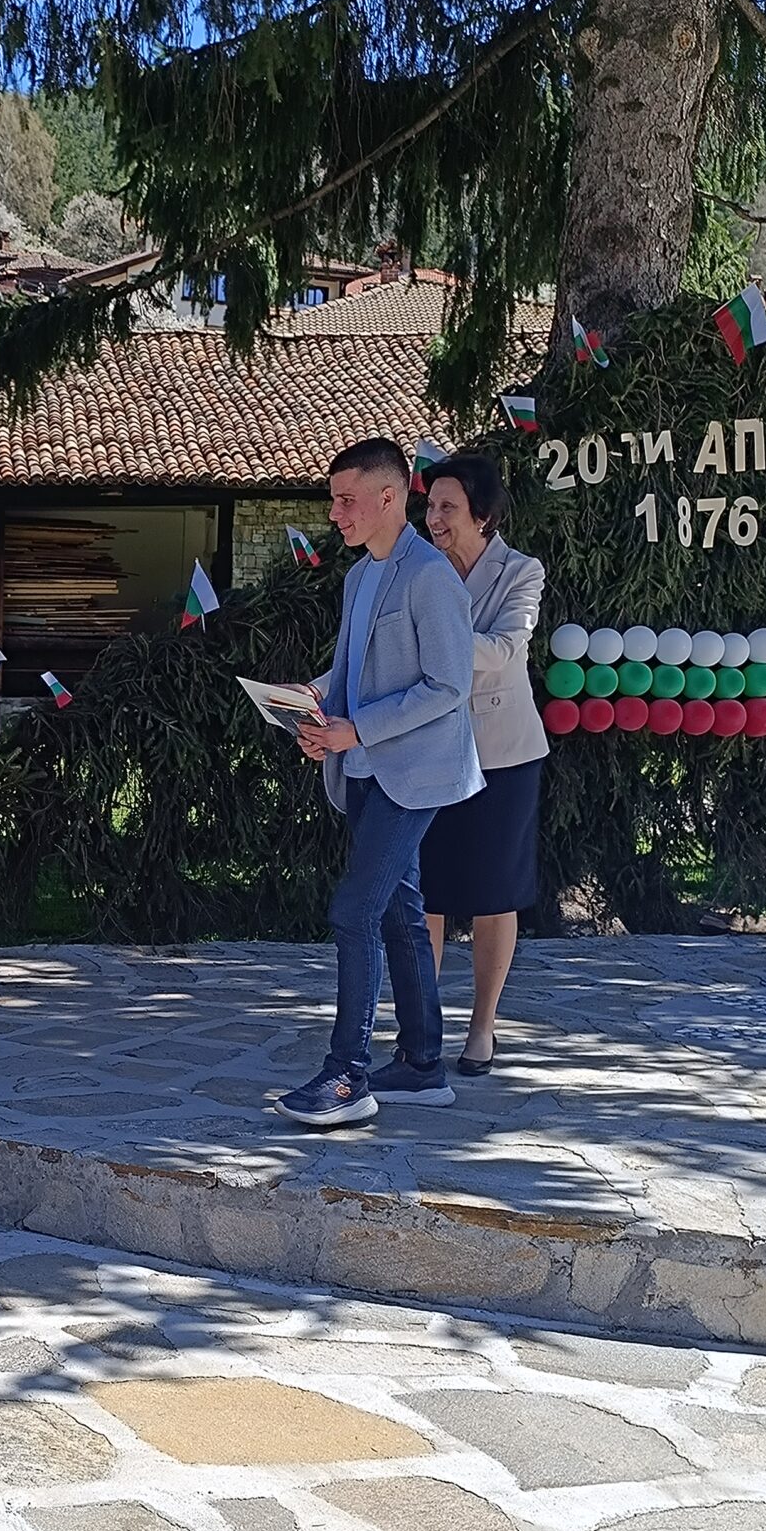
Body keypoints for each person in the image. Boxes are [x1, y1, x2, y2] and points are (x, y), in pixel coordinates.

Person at [281, 435, 482, 1127]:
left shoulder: (431, 576)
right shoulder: (359, 577)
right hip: (367, 770)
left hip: (415, 773)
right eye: (333, 500)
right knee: (399, 912)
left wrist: (357, 730)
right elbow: (350, 669)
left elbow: (449, 686)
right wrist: (311, 700)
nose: (334, 513)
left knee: (354, 911)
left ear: (390, 497)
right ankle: (423, 1066)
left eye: (346, 500)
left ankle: (348, 1076)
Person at [418, 450, 549, 1075]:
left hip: (503, 755)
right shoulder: (416, 568)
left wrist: (429, 640)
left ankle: (482, 1027)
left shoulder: (521, 571)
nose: (433, 518)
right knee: (426, 893)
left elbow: (503, 650)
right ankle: (421, 1030)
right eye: (430, 505)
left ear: (483, 516)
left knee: (496, 895)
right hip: (428, 748)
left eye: (448, 507)